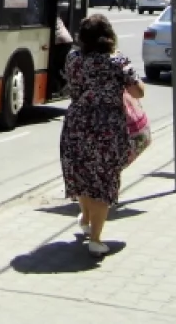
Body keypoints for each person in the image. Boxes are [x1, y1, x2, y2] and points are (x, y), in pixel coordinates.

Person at [59, 14, 146, 256]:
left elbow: (72, 87)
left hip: (76, 123)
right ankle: (95, 239)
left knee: (83, 174)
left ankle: (86, 220)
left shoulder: (73, 58)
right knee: (102, 181)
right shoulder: (117, 61)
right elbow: (138, 91)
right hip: (106, 126)